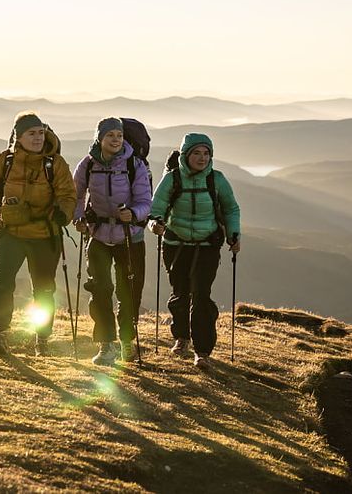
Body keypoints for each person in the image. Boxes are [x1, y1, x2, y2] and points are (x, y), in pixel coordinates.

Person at [0, 112, 76, 356]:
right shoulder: (5, 160)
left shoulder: (55, 164)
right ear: (18, 137)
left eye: (41, 132)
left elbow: (68, 194)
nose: (38, 138)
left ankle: (42, 339)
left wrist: (64, 213)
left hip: (44, 234)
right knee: (2, 283)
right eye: (32, 133)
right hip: (10, 233)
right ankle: (1, 334)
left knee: (43, 289)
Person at [149, 133, 241, 369]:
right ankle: (182, 337)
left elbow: (231, 209)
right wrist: (155, 223)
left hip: (207, 246)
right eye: (196, 153)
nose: (202, 158)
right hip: (176, 245)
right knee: (180, 292)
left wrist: (234, 234)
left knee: (200, 296)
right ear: (185, 155)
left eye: (206, 153)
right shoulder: (172, 179)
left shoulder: (216, 180)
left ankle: (202, 352)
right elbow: (156, 206)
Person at [73, 118, 153, 365]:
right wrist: (77, 218)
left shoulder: (134, 165)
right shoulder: (87, 164)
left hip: (129, 236)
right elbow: (76, 195)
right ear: (100, 138)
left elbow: (145, 201)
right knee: (100, 290)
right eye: (111, 136)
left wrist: (134, 214)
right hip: (97, 234)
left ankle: (127, 341)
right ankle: (107, 345)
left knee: (128, 292)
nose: (116, 140)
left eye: (119, 135)